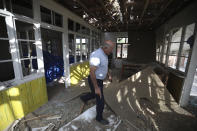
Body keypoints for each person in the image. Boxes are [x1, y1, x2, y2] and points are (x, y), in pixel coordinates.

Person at [80, 40, 115, 125]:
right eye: (111, 49)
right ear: (105, 47)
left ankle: (84, 98)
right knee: (100, 100)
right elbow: (92, 73)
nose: (112, 51)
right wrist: (96, 87)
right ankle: (99, 118)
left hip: (99, 79)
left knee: (94, 94)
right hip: (94, 79)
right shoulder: (97, 55)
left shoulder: (105, 54)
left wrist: (109, 75)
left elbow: (104, 66)